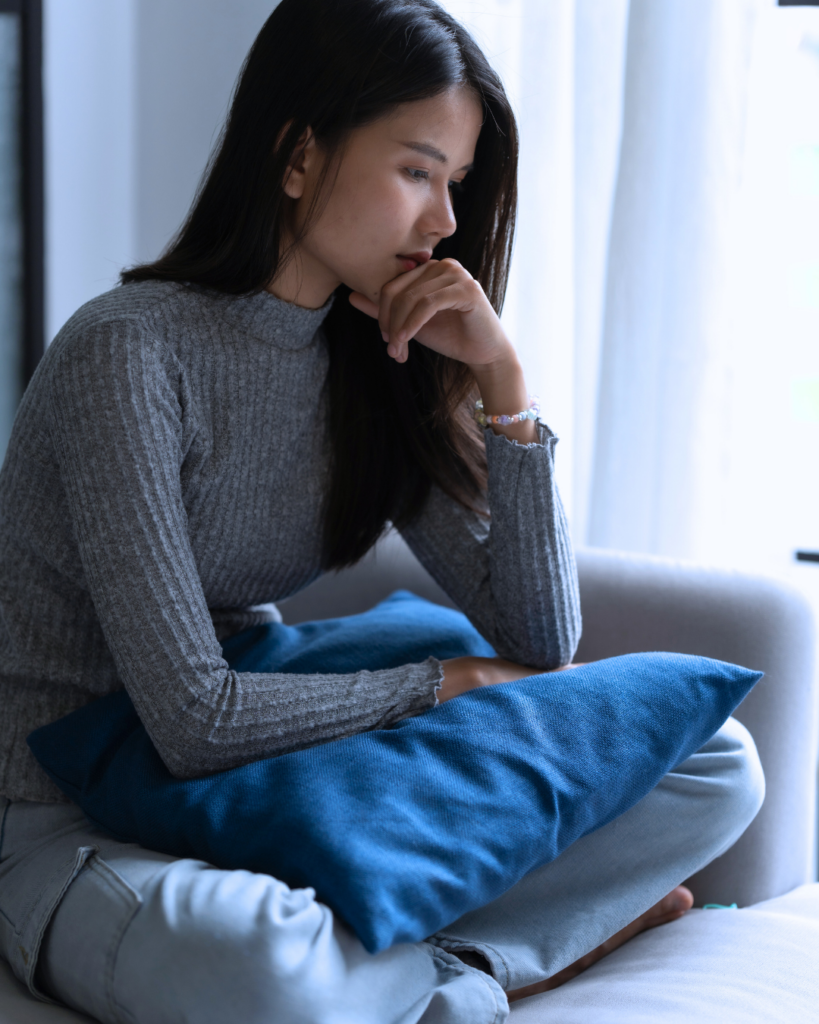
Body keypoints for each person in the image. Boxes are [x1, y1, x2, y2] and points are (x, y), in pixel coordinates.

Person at [0, 1, 764, 1021]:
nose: (445, 220)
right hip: (70, 812)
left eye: (455, 182)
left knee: (710, 758)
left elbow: (542, 638)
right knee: (266, 973)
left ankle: (442, 962)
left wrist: (503, 383)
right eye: (417, 171)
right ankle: (497, 961)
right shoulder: (125, 353)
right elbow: (191, 717)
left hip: (268, 770)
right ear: (298, 155)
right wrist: (445, 683)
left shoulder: (375, 365)